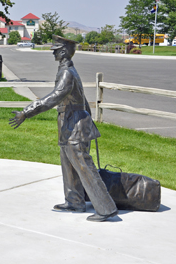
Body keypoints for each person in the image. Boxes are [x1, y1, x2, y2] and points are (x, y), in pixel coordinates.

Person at [9, 35, 118, 222]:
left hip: (74, 124)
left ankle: (106, 207)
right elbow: (82, 99)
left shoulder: (67, 72)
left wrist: (26, 112)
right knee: (69, 165)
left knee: (84, 167)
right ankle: (74, 202)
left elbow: (55, 96)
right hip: (69, 123)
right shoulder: (67, 70)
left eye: (56, 49)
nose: (53, 51)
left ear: (65, 52)